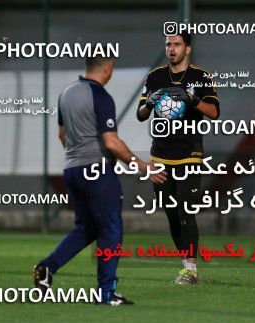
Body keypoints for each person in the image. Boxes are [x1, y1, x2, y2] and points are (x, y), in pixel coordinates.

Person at [33, 52, 167, 305]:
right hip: (96, 170)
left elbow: (63, 136)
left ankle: (46, 268)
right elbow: (111, 142)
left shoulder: (66, 94)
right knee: (111, 228)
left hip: (72, 169)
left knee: (87, 228)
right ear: (108, 68)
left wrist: (80, 157)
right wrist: (142, 166)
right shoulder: (100, 96)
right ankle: (106, 293)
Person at [137, 31, 220, 284]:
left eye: (177, 44)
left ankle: (192, 271)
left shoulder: (201, 77)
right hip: (160, 156)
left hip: (189, 154)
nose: (171, 49)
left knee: (186, 208)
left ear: (188, 49)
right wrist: (149, 104)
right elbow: (140, 115)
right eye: (168, 45)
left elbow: (214, 112)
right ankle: (185, 265)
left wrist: (192, 100)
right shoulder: (155, 77)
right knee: (171, 212)